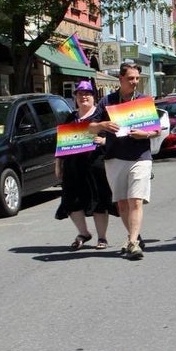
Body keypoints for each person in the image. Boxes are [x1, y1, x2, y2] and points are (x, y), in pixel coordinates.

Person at [89, 62, 160, 260]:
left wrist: (144, 135)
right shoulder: (108, 101)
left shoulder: (144, 101)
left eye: (137, 78)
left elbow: (156, 130)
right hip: (114, 157)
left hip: (140, 157)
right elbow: (90, 127)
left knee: (135, 200)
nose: (135, 82)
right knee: (122, 204)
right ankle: (134, 237)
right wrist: (102, 124)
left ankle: (133, 242)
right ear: (120, 79)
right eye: (130, 78)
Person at [55, 81, 118, 250]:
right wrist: (58, 163)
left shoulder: (101, 116)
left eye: (87, 94)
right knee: (71, 201)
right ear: (75, 97)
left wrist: (105, 140)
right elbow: (62, 142)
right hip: (73, 166)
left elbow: (117, 134)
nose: (84, 97)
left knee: (98, 201)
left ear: (93, 97)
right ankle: (84, 232)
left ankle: (102, 237)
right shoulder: (70, 118)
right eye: (80, 94)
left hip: (95, 165)